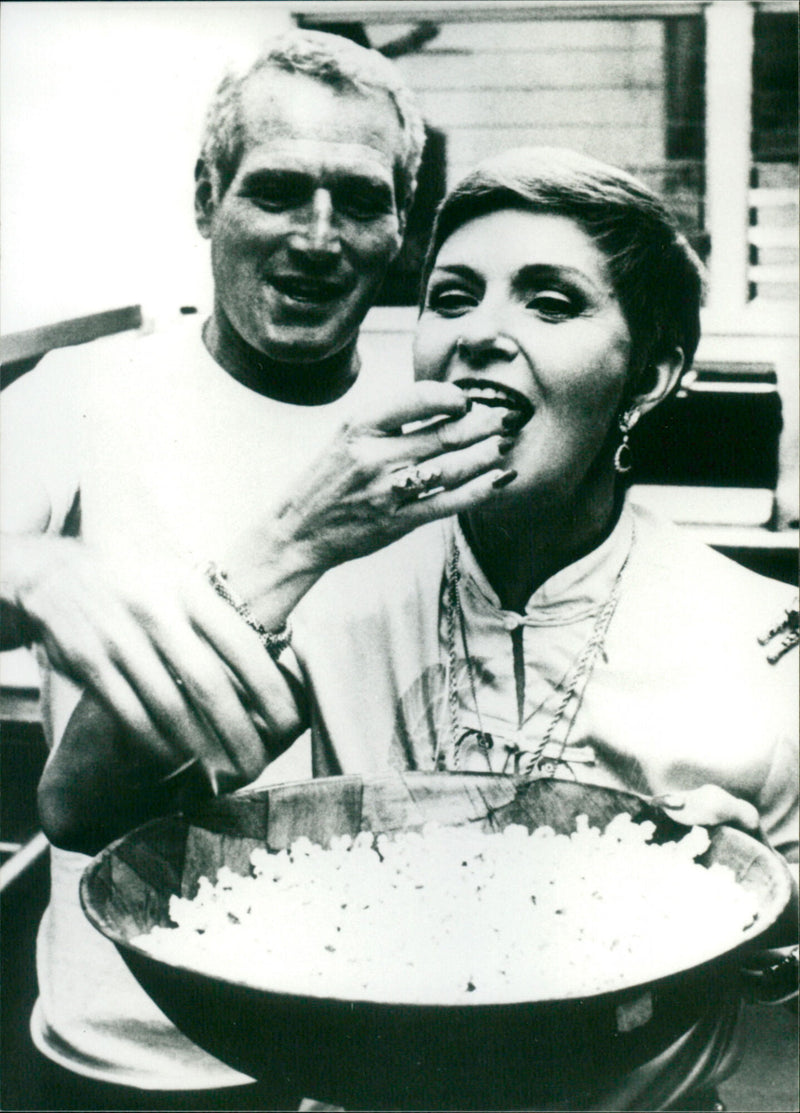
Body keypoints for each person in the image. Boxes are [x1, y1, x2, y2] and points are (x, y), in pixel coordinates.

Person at [45, 146, 799, 1110]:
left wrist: (756, 899)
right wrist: (286, 545)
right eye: (452, 298)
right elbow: (79, 807)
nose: (480, 333)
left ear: (649, 374)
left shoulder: (763, 631)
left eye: (551, 302)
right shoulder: (340, 587)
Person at [0, 29, 518, 1110]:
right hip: (132, 1048)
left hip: (389, 1040)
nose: (318, 237)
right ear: (206, 200)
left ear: (401, 229)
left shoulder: (440, 422)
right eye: (278, 191)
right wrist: (31, 573)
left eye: (358, 201)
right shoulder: (84, 392)